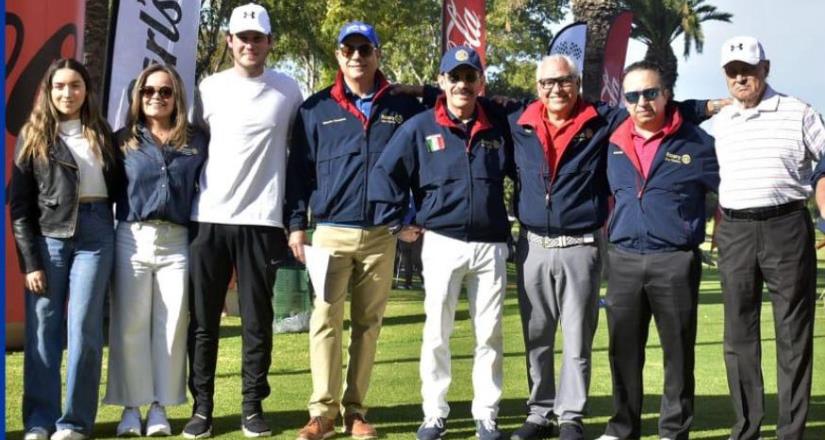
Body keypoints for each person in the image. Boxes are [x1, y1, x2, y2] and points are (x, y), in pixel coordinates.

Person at [285, 21, 424, 440]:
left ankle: (355, 411)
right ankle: (321, 414)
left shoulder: (403, 108)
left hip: (382, 234)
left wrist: (413, 214)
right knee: (325, 320)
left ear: (378, 54)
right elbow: (298, 174)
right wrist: (296, 225)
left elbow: (420, 166)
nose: (357, 57)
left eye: (365, 49)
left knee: (369, 323)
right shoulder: (315, 109)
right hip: (329, 231)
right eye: (350, 50)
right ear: (339, 56)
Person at [369, 46, 514, 440]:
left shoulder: (498, 123)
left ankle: (487, 413)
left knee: (490, 333)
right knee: (437, 332)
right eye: (455, 77)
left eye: (470, 77)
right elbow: (386, 173)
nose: (462, 84)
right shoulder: (420, 127)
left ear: (480, 82)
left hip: (491, 246)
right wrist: (397, 222)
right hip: (441, 242)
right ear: (442, 81)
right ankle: (434, 412)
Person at [185, 3, 303, 438]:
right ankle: (202, 409)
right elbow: (192, 146)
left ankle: (252, 407)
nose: (249, 44)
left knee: (257, 323)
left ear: (270, 42)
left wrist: (296, 218)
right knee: (203, 323)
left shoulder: (289, 90)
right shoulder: (208, 88)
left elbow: (300, 157)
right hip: (208, 219)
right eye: (242, 37)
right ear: (229, 41)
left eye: (257, 37)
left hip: (262, 221)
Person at [505, 54, 628, 440]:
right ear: (537, 87)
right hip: (532, 246)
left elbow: (651, 109)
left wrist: (704, 106)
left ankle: (570, 415)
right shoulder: (518, 123)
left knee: (577, 337)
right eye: (547, 84)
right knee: (536, 335)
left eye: (564, 82)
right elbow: (468, 99)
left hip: (582, 246)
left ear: (576, 83)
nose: (556, 90)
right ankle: (540, 412)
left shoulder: (604, 120)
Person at [596, 61, 719, 440]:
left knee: (678, 353)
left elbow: (729, 196)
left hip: (675, 261)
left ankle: (673, 430)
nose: (642, 102)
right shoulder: (612, 140)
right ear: (625, 100)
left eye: (651, 93)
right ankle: (622, 428)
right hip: (624, 260)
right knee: (623, 352)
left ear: (667, 95)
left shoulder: (699, 144)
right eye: (633, 96)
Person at [714, 36, 825, 440]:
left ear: (766, 68)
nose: (740, 77)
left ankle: (790, 432)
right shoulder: (721, 121)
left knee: (793, 335)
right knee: (738, 334)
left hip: (787, 228)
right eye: (732, 71)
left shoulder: (798, 112)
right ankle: (745, 428)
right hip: (736, 232)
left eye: (747, 68)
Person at [9, 58, 119, 440]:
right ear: (48, 91)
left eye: (75, 85)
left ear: (86, 90)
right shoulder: (33, 135)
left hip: (97, 233)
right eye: (59, 86)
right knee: (43, 331)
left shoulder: (102, 132)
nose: (67, 93)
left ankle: (74, 423)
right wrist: (30, 262)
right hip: (48, 238)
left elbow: (121, 186)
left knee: (85, 326)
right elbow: (19, 206)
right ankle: (40, 421)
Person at [103, 63, 207, 437]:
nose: (156, 98)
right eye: (148, 91)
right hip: (131, 237)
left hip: (177, 241)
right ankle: (131, 408)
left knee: (172, 325)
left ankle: (161, 407)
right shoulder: (121, 141)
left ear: (175, 95)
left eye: (164, 91)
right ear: (138, 96)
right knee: (129, 325)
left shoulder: (196, 140)